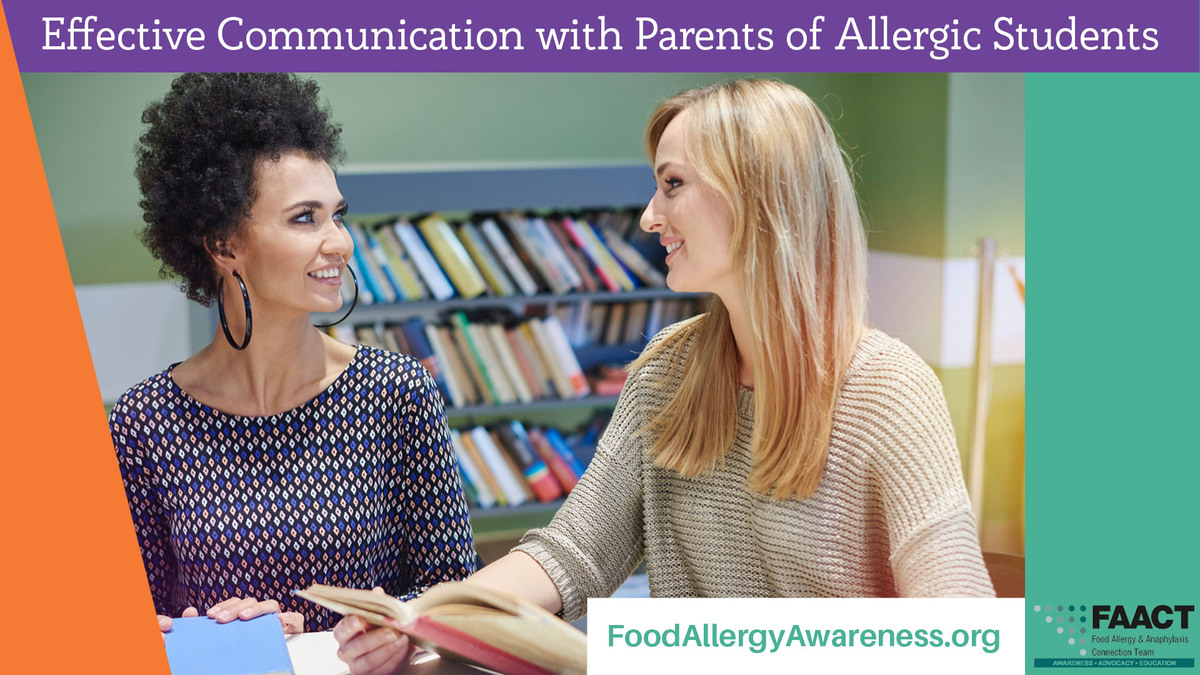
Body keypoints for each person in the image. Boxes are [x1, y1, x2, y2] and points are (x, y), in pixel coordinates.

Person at [333, 78, 994, 672]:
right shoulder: (670, 368)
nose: (650, 217)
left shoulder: (890, 390)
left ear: (758, 194)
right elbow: (572, 554)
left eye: (673, 184)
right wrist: (418, 615)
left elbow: (963, 632)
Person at [108, 73, 476, 635]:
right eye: (305, 218)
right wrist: (218, 633)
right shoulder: (143, 423)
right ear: (224, 244)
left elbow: (450, 595)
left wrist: (323, 631)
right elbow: (137, 621)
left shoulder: (396, 392)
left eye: (337, 213)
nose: (340, 241)